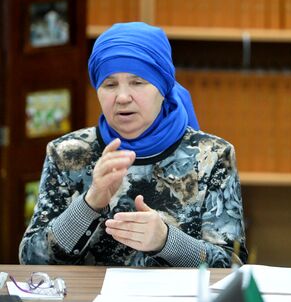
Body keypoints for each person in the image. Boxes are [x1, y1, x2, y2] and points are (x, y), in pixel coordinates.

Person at [20, 22, 247, 267]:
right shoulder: (66, 154)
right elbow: (31, 260)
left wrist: (166, 240)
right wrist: (90, 203)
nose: (123, 97)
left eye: (138, 82)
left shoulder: (213, 156)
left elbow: (231, 266)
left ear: (163, 88)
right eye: (109, 85)